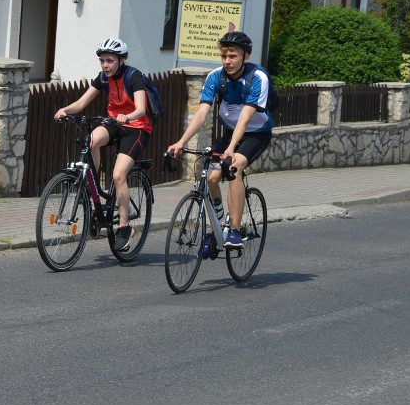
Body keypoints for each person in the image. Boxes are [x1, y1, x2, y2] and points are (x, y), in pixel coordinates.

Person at [166, 31, 274, 252]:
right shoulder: (216, 76)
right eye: (224, 56)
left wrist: (232, 149)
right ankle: (218, 227)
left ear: (246, 56)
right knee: (212, 178)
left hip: (256, 133)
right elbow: (201, 113)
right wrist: (181, 141)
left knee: (234, 166)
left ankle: (234, 229)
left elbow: (246, 117)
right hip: (230, 132)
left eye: (233, 56)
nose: (227, 61)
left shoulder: (258, 77)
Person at [54, 37, 152, 252]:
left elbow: (141, 109)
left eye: (110, 60)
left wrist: (128, 116)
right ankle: (93, 183)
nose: (105, 65)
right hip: (114, 123)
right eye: (102, 61)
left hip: (137, 127)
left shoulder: (134, 76)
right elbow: (81, 103)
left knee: (118, 176)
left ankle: (124, 228)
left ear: (120, 60)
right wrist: (65, 110)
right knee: (91, 140)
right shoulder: (102, 78)